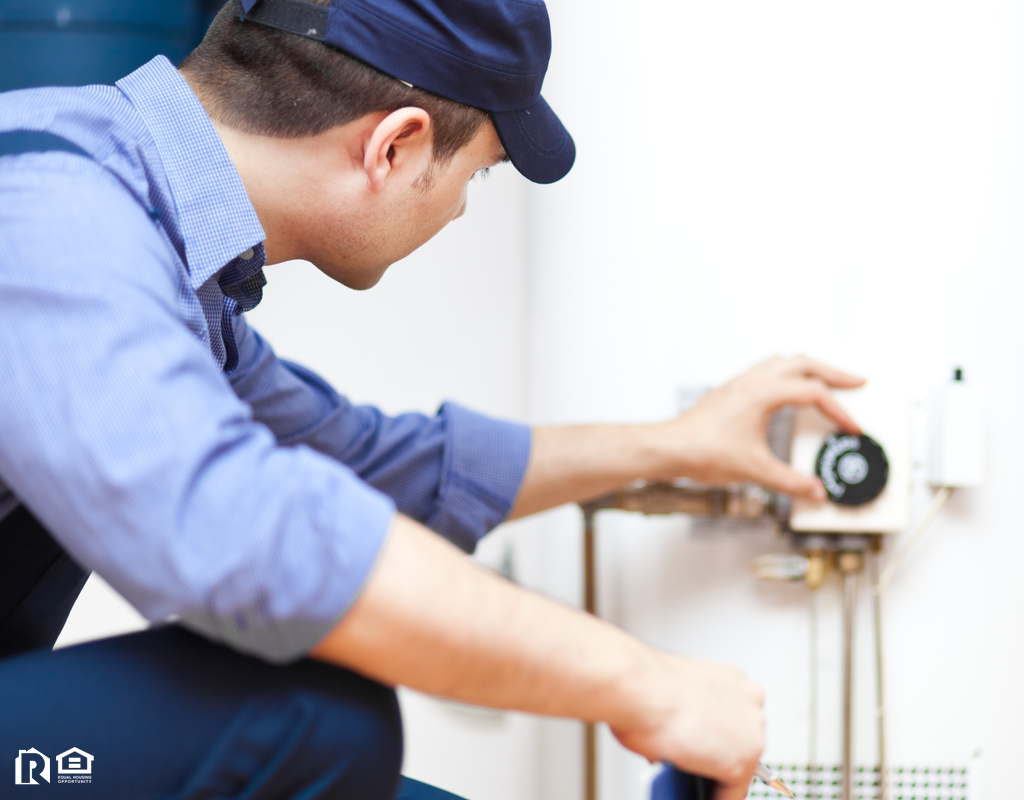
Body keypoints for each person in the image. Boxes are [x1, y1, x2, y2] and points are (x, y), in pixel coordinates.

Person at [0, 0, 864, 798]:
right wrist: (645, 683)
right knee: (314, 712)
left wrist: (678, 444)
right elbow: (250, 540)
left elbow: (376, 468)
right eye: (478, 176)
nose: (457, 211)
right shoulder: (50, 209)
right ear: (396, 147)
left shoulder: (163, 251)